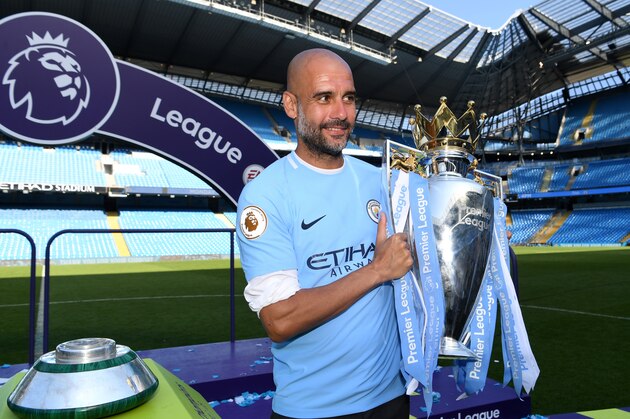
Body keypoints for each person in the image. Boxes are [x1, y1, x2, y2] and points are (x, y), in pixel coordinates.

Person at [236, 48, 413, 419]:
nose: (340, 113)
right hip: (312, 411)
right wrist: (376, 270)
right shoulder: (266, 195)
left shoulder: (381, 183)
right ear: (290, 105)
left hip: (391, 399)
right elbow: (280, 320)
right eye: (323, 98)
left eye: (348, 98)